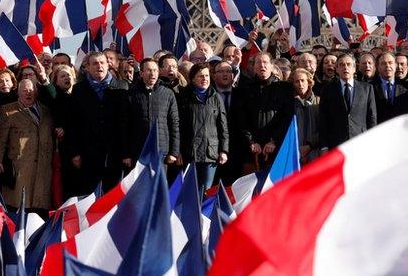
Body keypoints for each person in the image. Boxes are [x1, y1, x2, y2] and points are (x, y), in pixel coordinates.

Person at [66, 51, 129, 194]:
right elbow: (72, 124)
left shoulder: (122, 87)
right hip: (88, 155)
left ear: (108, 65)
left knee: (113, 199)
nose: (99, 66)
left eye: (102, 63)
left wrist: (126, 153)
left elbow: (126, 123)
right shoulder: (79, 90)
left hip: (115, 155)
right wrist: (75, 153)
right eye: (94, 63)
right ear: (87, 67)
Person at [0, 79, 55, 212]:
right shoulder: (8, 110)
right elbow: (1, 138)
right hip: (20, 165)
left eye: (31, 90)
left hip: (43, 167)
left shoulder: (46, 111)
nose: (28, 93)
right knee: (19, 204)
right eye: (25, 90)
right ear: (18, 92)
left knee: (39, 206)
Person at [235, 53, 295, 170]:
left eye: (265, 62)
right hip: (251, 151)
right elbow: (241, 119)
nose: (262, 65)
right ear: (254, 66)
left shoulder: (284, 88)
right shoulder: (244, 89)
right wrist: (251, 141)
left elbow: (287, 117)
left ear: (272, 65)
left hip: (277, 148)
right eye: (258, 62)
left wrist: (274, 140)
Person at [178, 62, 228, 194]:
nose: (205, 79)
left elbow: (223, 126)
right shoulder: (183, 96)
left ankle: (202, 215)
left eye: (207, 76)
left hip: (210, 153)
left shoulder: (216, 97)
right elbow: (178, 126)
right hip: (190, 152)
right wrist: (178, 151)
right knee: (190, 191)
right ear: (193, 78)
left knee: (206, 190)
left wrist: (223, 150)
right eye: (201, 76)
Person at [125, 58, 180, 170]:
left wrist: (174, 152)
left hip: (161, 152)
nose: (152, 74)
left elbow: (174, 123)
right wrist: (126, 154)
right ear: (141, 73)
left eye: (155, 70)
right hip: (138, 152)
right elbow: (124, 125)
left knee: (159, 187)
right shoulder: (131, 94)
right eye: (149, 70)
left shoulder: (168, 93)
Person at [318, 54, 377, 150]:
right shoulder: (328, 90)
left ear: (354, 68)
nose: (345, 67)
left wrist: (372, 142)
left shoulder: (367, 88)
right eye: (341, 65)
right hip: (336, 143)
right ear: (336, 69)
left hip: (361, 142)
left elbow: (372, 117)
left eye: (348, 64)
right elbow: (323, 120)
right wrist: (324, 147)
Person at [290, 68, 321, 162]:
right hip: (294, 152)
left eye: (303, 80)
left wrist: (309, 146)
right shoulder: (289, 104)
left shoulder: (319, 101)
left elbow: (324, 127)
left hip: (315, 151)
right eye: (297, 81)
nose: (300, 84)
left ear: (309, 82)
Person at [373, 52, 408, 122]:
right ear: (377, 67)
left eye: (390, 63)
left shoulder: (406, 86)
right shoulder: (369, 87)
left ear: (395, 65)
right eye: (383, 63)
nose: (387, 66)